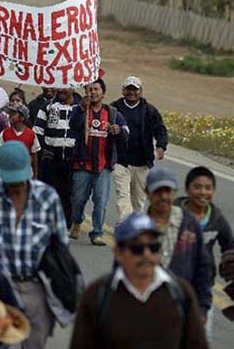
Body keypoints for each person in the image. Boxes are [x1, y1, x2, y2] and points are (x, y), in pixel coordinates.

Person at [0, 141, 69, 349]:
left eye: (20, 181)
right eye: (11, 182)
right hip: (0, 289)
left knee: (34, 344)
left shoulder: (48, 198)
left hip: (36, 286)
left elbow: (62, 245)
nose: (16, 187)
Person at [70, 213, 208, 349]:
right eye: (137, 249)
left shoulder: (180, 293)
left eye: (153, 247)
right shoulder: (97, 295)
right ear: (118, 252)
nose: (146, 254)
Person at [143, 166, 212, 319]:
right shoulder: (137, 228)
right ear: (147, 193)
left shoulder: (189, 225)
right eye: (158, 192)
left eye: (168, 191)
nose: (163, 197)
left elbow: (203, 267)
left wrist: (203, 308)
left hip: (181, 310)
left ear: (175, 193)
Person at [177, 166, 234, 341]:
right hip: (173, 285)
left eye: (208, 188)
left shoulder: (217, 218)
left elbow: (229, 246)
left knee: (200, 337)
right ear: (188, 189)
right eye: (197, 187)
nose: (203, 192)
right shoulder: (173, 213)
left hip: (202, 286)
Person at [70, 79, 129, 244]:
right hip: (82, 164)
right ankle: (77, 220)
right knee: (78, 199)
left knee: (101, 201)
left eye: (96, 89)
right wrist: (81, 109)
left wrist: (118, 131)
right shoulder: (81, 110)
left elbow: (125, 131)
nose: (93, 92)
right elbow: (72, 126)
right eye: (90, 89)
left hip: (103, 166)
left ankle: (96, 233)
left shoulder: (113, 113)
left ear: (103, 93)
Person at [110, 76, 168, 222]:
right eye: (128, 89)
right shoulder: (113, 109)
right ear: (123, 90)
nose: (131, 93)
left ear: (140, 91)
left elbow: (160, 129)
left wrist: (161, 146)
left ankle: (134, 224)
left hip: (142, 162)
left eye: (135, 89)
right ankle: (123, 223)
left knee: (138, 200)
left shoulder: (149, 110)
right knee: (123, 195)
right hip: (120, 161)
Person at [33, 88, 79, 224]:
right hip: (51, 156)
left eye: (65, 86)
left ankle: (66, 222)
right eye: (59, 85)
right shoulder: (48, 107)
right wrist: (44, 151)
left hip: (72, 157)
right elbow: (37, 130)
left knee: (69, 192)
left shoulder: (81, 107)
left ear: (73, 87)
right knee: (48, 190)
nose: (61, 89)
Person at [0, 103, 40, 179]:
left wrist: (35, 175)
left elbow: (34, 155)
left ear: (22, 118)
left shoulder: (31, 134)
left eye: (13, 114)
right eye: (10, 113)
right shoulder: (5, 133)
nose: (10, 116)